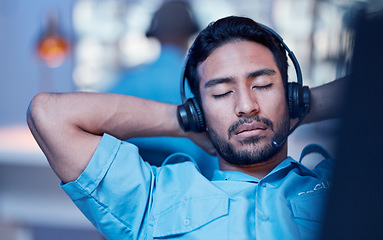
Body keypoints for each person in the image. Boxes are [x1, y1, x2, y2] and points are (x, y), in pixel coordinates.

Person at [27, 16, 345, 240]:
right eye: (221, 93)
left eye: (262, 85)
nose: (246, 106)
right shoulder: (154, 201)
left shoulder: (342, 185)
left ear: (291, 92)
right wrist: (187, 120)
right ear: (198, 107)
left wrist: (303, 103)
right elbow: (49, 114)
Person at [106, 1, 217, 176]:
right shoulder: (201, 85)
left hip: (131, 180)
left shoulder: (128, 81)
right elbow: (214, 153)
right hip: (188, 181)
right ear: (191, 33)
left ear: (154, 34)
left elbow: (95, 124)